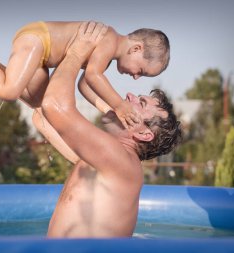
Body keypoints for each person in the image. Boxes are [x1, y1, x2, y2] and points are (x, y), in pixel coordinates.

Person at [41, 22, 181, 237]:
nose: (129, 96)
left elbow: (54, 106)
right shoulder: (108, 160)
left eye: (140, 103)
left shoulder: (119, 158)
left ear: (143, 134)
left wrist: (76, 52)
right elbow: (42, 117)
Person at [0, 20, 170, 129]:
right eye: (140, 71)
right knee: (9, 91)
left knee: (36, 101)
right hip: (38, 40)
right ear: (136, 49)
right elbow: (92, 76)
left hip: (42, 56)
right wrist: (120, 105)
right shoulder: (110, 39)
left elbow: (84, 85)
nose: (136, 77)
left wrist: (109, 109)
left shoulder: (107, 59)